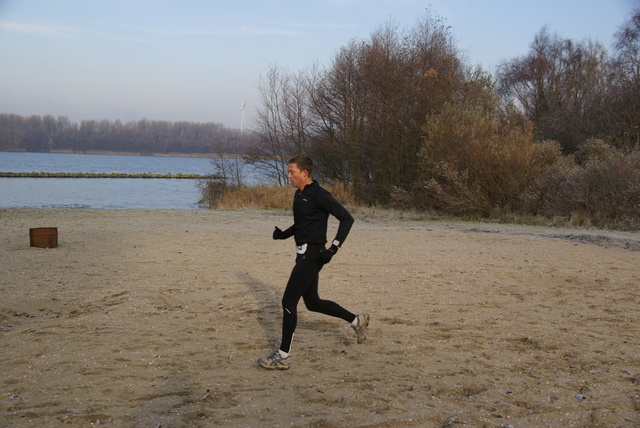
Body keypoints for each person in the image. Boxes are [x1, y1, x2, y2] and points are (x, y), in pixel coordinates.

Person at [258, 155, 369, 370]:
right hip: (303, 254)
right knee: (313, 303)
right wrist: (284, 234)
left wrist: (334, 248)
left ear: (304, 173)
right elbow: (302, 223)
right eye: (288, 172)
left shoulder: (319, 194)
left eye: (292, 172)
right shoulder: (299, 195)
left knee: (288, 301)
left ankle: (282, 356)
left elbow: (347, 218)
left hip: (314, 254)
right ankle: (357, 321)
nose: (288, 175)